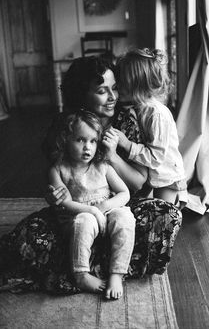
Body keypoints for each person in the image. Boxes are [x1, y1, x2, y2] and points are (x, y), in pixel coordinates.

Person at [0, 55, 182, 294]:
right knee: (27, 239)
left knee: (167, 216)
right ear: (82, 94)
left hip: (117, 206)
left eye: (115, 88)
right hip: (78, 212)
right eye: (101, 91)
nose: (113, 97)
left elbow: (138, 184)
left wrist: (112, 156)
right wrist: (54, 196)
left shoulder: (127, 121)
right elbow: (58, 177)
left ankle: (84, 265)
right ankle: (97, 264)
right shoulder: (68, 125)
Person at [48, 110, 135, 299]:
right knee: (85, 221)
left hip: (105, 212)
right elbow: (66, 203)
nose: (87, 147)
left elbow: (124, 193)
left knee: (125, 217)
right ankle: (81, 274)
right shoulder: (59, 169)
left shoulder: (102, 166)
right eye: (80, 140)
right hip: (79, 216)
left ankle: (117, 273)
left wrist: (103, 208)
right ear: (65, 139)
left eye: (93, 141)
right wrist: (92, 211)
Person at [108, 47, 187, 206]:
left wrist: (127, 144)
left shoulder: (156, 114)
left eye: (121, 84)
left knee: (164, 214)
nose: (117, 88)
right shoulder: (134, 107)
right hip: (151, 175)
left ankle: (180, 198)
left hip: (166, 177)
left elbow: (156, 158)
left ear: (138, 86)